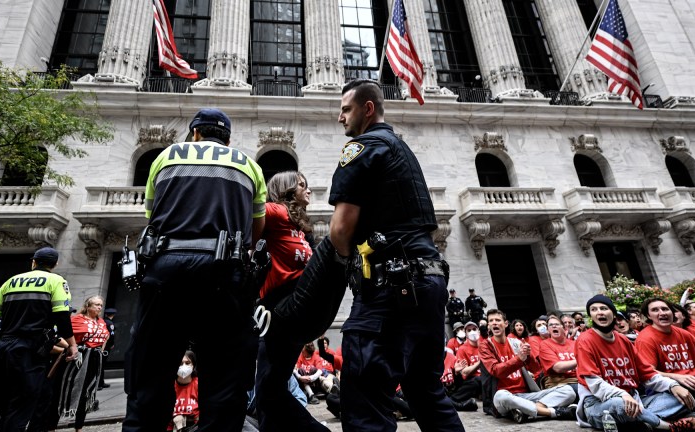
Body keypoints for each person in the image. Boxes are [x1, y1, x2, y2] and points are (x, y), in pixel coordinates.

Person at [329, 79, 463, 431]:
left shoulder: (364, 148)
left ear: (367, 109)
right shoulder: (401, 149)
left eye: (346, 109)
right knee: (426, 392)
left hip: (390, 288)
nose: (340, 118)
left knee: (364, 398)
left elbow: (340, 230)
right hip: (430, 282)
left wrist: (346, 264)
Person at [123, 108, 267, 432]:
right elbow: (256, 230)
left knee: (150, 375)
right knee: (225, 382)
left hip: (165, 271)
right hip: (224, 278)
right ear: (227, 140)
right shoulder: (250, 166)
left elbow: (152, 215)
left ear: (195, 133)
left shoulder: (165, 157)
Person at [0, 247, 78, 432]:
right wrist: (72, 345)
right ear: (55, 264)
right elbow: (62, 316)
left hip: (3, 347)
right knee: (21, 405)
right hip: (30, 351)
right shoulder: (57, 281)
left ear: (34, 262)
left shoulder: (11, 281)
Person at [253, 170, 324, 432]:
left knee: (270, 390)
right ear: (286, 189)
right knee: (268, 391)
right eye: (301, 185)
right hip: (275, 310)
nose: (307, 189)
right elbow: (250, 212)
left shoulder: (302, 227)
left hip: (295, 313)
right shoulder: (273, 211)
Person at [575, 295, 695, 431]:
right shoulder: (585, 340)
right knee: (620, 405)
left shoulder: (623, 341)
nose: (599, 312)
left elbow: (646, 373)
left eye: (603, 308)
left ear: (613, 315)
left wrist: (672, 385)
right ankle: (668, 426)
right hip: (600, 403)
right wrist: (622, 394)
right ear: (591, 316)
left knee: (685, 393)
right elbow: (594, 384)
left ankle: (645, 422)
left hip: (636, 401)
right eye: (594, 310)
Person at [478, 309, 575, 424]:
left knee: (568, 391)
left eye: (498, 320)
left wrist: (528, 357)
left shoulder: (516, 343)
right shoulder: (485, 345)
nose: (494, 323)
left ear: (505, 324)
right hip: (504, 397)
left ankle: (526, 409)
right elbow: (496, 371)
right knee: (501, 396)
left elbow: (536, 369)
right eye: (491, 321)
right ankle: (553, 412)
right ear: (488, 326)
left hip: (526, 395)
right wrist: (519, 359)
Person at [635, 298, 695, 413]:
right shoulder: (645, 339)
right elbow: (648, 373)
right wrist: (677, 377)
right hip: (664, 389)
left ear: (671, 312)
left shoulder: (684, 334)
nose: (662, 313)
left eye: (665, 309)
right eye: (655, 310)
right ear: (648, 316)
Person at [52, 295, 110, 432]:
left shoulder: (101, 321)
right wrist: (69, 348)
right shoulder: (76, 320)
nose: (99, 307)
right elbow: (61, 335)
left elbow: (105, 337)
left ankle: (79, 428)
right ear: (88, 306)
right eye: (96, 304)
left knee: (86, 394)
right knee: (63, 392)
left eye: (101, 305)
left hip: (93, 360)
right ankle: (51, 427)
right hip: (77, 360)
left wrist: (99, 351)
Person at [538, 316, 578, 397]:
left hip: (579, 380)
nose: (554, 326)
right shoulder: (545, 344)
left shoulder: (574, 343)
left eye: (557, 324)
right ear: (548, 330)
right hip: (560, 384)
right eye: (551, 325)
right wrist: (581, 360)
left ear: (564, 329)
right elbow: (558, 367)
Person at [170, 351, 199, 432]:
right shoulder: (168, 385)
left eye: (187, 363)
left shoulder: (197, 385)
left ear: (193, 365)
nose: (183, 366)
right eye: (180, 363)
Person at [98, 307, 116, 390]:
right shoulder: (110, 323)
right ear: (113, 315)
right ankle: (100, 383)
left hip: (100, 345)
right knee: (102, 364)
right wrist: (111, 344)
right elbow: (111, 335)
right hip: (106, 346)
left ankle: (100, 382)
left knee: (99, 364)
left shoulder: (102, 321)